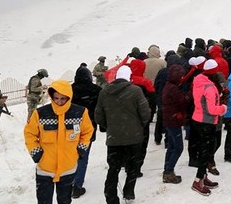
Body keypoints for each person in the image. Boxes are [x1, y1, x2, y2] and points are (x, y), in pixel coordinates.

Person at [24, 80, 94, 204]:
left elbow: (87, 132)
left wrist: (80, 150)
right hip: (45, 168)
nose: (59, 102)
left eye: (63, 99)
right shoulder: (41, 113)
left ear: (69, 97)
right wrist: (37, 153)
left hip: (68, 168)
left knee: (65, 201)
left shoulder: (80, 112)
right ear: (51, 96)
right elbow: (30, 134)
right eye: (56, 98)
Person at [95, 65, 151, 204]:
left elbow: (98, 116)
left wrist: (110, 127)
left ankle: (111, 197)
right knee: (132, 167)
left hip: (114, 138)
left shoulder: (104, 92)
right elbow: (146, 113)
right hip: (134, 137)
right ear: (129, 76)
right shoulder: (136, 91)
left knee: (113, 169)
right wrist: (140, 126)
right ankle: (129, 192)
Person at [190, 59, 227, 196]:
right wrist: (223, 108)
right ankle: (198, 180)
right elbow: (212, 109)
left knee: (204, 151)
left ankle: (203, 177)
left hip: (197, 119)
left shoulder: (198, 80)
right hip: (207, 122)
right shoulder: (210, 87)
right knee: (206, 152)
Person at [70, 65, 102, 198]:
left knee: (70, 155)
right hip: (89, 127)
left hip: (70, 127)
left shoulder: (69, 90)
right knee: (83, 156)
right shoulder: (96, 90)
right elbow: (100, 109)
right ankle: (77, 186)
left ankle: (68, 181)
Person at [162, 64, 190, 184]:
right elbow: (183, 101)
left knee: (172, 146)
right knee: (179, 147)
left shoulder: (169, 86)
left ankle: (167, 169)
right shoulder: (173, 88)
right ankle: (169, 171)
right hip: (174, 120)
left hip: (169, 119)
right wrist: (190, 95)